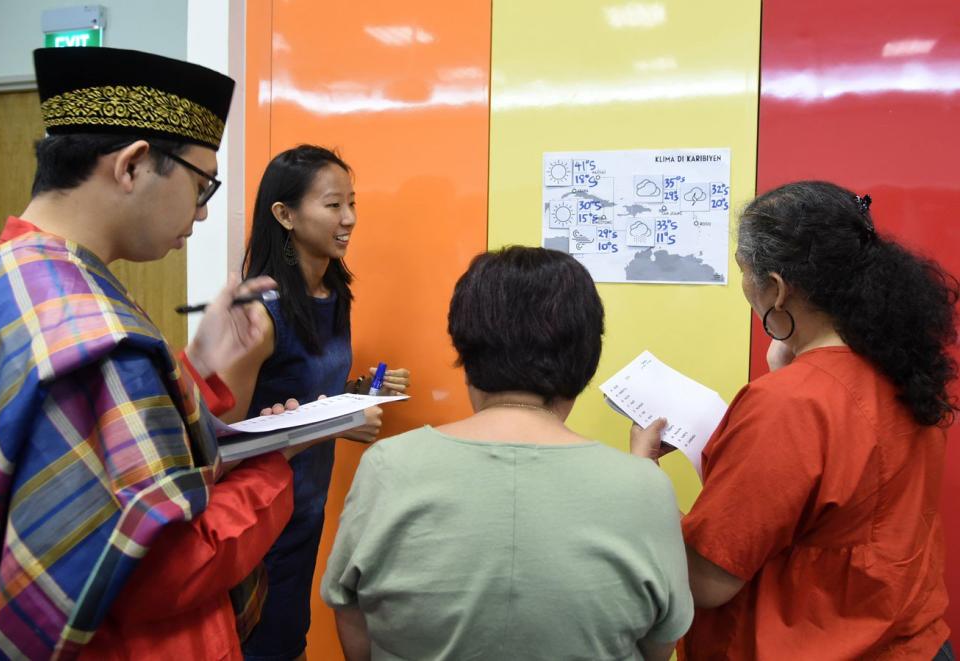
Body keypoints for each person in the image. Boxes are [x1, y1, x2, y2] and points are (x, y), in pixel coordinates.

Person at [0, 47, 305, 659]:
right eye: (202, 185)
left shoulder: (2, 277)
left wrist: (197, 365)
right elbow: (166, 567)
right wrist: (273, 466)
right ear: (133, 165)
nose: (201, 213)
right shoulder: (96, 334)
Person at [631, 181, 957, 660]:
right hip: (911, 642)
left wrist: (643, 483)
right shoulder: (904, 370)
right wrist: (794, 369)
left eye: (745, 273)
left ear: (777, 289)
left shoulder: (790, 405)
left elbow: (707, 582)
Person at [320, 246, 693, 661]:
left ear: (464, 348)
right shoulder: (645, 486)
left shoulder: (387, 466)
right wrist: (636, 479)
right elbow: (660, 644)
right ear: (587, 357)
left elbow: (351, 615)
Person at [219, 145, 410, 660]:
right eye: (332, 205)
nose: (348, 219)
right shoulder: (256, 314)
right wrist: (335, 422)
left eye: (352, 203)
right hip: (256, 518)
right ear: (284, 214)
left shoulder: (332, 291)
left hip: (305, 507)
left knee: (289, 638)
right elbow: (219, 445)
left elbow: (301, 393)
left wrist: (357, 390)